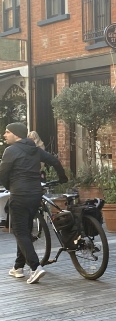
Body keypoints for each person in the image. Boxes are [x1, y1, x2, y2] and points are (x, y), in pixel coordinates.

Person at [0, 122, 68, 284]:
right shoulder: (35, 150)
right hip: (35, 195)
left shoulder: (11, 151)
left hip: (20, 195)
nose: (4, 135)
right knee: (25, 228)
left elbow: (2, 175)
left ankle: (35, 267)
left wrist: (9, 186)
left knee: (20, 231)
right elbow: (55, 161)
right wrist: (62, 178)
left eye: (7, 132)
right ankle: (18, 267)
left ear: (16, 135)